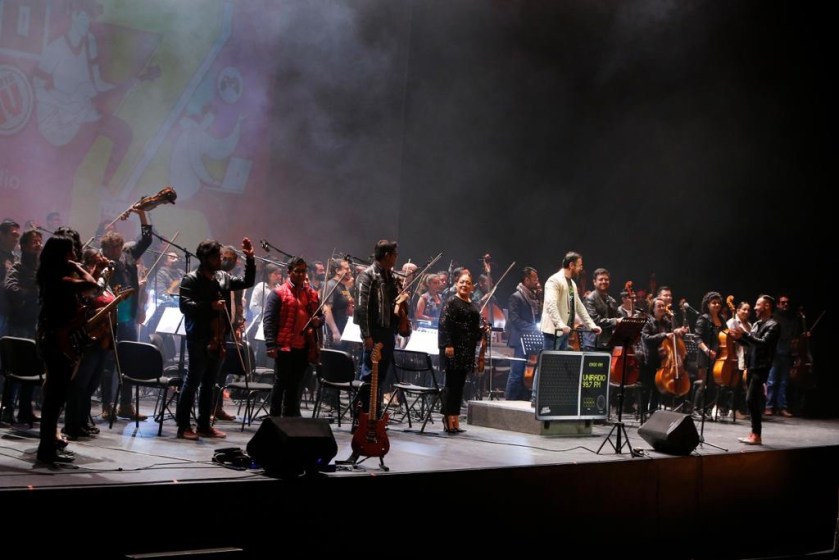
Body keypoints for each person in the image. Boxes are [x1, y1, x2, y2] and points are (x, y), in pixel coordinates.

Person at [176, 238, 255, 440]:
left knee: (210, 383)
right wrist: (209, 306)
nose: (220, 260)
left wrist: (250, 259)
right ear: (205, 258)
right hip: (199, 337)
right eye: (216, 257)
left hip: (218, 337)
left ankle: (204, 425)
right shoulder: (190, 279)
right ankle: (183, 426)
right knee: (192, 381)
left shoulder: (222, 277)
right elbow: (185, 307)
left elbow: (247, 282)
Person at [35, 231, 99, 463]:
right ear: (63, 255)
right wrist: (77, 266)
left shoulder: (48, 276)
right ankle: (46, 451)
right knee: (55, 398)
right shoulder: (61, 280)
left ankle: (49, 446)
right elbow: (92, 285)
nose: (75, 254)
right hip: (57, 342)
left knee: (55, 397)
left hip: (51, 339)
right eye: (71, 251)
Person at [98, 207, 151, 421]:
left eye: (117, 247)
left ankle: (126, 405)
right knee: (109, 363)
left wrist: (142, 215)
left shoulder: (128, 256)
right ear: (104, 249)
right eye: (110, 248)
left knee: (128, 361)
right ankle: (106, 405)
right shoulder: (101, 263)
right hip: (110, 318)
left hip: (129, 317)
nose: (114, 251)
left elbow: (146, 240)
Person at [352, 240, 407, 421]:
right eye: (395, 255)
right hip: (374, 332)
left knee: (381, 376)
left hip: (388, 332)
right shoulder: (367, 276)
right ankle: (363, 416)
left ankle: (374, 414)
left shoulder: (390, 277)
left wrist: (401, 298)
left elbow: (392, 305)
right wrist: (366, 334)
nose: (396, 258)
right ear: (387, 256)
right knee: (369, 375)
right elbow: (362, 308)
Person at [262, 257, 323, 417]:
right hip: (284, 345)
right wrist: (270, 344)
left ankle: (290, 417)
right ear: (289, 272)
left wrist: (318, 321)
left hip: (303, 346)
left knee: (296, 384)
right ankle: (274, 417)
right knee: (281, 382)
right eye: (297, 271)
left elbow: (321, 316)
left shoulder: (311, 294)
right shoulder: (278, 293)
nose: (301, 274)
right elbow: (268, 320)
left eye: (303, 271)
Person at [64, 247, 113, 440]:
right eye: (97, 259)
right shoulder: (80, 275)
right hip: (88, 335)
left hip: (103, 337)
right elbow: (88, 296)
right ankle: (72, 424)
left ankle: (83, 422)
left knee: (91, 384)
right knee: (80, 383)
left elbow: (102, 293)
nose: (102, 260)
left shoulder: (102, 278)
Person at [1, 228, 42, 424]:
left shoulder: (41, 269)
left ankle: (25, 409)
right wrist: (30, 295)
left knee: (32, 368)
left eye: (39, 241)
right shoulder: (18, 267)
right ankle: (7, 409)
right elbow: (10, 287)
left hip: (35, 324)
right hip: (19, 325)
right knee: (14, 369)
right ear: (24, 246)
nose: (38, 245)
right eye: (34, 241)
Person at [438, 271, 487, 433]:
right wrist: (448, 344)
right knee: (451, 384)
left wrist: (482, 331)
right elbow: (444, 324)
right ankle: (448, 417)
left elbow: (473, 329)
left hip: (467, 350)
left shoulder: (474, 305)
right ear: (456, 284)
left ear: (472, 287)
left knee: (460, 386)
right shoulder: (452, 301)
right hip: (453, 348)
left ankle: (455, 417)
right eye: (462, 282)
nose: (465, 285)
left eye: (468, 283)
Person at [729, 295, 780, 445]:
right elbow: (750, 343)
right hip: (751, 365)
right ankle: (754, 433)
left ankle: (756, 435)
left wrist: (744, 334)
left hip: (761, 366)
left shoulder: (774, 325)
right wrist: (738, 337)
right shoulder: (757, 324)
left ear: (767, 306)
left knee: (751, 399)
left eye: (758, 305)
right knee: (752, 400)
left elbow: (763, 343)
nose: (755, 308)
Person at [638, 297, 690, 417]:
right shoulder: (647, 322)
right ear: (653, 309)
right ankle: (643, 413)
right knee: (647, 388)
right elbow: (646, 339)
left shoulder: (666, 321)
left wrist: (678, 331)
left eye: (663, 306)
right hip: (649, 359)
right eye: (659, 306)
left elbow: (673, 333)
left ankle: (653, 413)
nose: (662, 308)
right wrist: (664, 335)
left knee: (658, 388)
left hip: (663, 359)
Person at [504, 266, 541, 401]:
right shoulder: (516, 297)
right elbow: (514, 319)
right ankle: (510, 400)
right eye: (534, 279)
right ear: (526, 280)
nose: (537, 281)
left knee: (526, 371)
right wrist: (532, 327)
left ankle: (521, 398)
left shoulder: (533, 298)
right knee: (517, 372)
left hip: (530, 338)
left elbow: (537, 317)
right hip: (519, 340)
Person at [692, 291, 725, 419]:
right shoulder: (703, 318)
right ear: (708, 304)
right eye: (714, 303)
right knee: (704, 383)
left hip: (718, 356)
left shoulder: (722, 319)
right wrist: (706, 350)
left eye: (718, 303)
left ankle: (707, 410)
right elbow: (697, 337)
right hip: (705, 355)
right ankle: (695, 410)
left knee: (713, 385)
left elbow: (725, 335)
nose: (717, 305)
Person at [764, 294, 797, 417]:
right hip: (775, 353)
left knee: (784, 382)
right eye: (783, 302)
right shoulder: (773, 317)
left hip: (787, 353)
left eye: (787, 302)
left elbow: (793, 336)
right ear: (778, 304)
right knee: (772, 381)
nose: (785, 304)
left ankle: (782, 407)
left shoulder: (791, 320)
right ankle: (769, 406)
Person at [582, 267, 621, 352]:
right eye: (601, 279)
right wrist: (616, 321)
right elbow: (595, 321)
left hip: (608, 343)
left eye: (606, 279)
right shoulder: (590, 299)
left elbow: (618, 317)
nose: (604, 281)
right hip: (593, 344)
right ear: (594, 282)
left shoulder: (612, 300)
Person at [323, 258, 354, 350]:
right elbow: (327, 309)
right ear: (337, 271)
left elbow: (349, 303)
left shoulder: (343, 286)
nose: (350, 271)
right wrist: (335, 331)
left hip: (345, 331)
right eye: (347, 269)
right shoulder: (331, 285)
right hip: (337, 333)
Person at [0, 218, 21, 337]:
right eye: (13, 235)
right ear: (1, 234)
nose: (16, 239)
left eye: (18, 235)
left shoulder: (16, 258)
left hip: (12, 312)